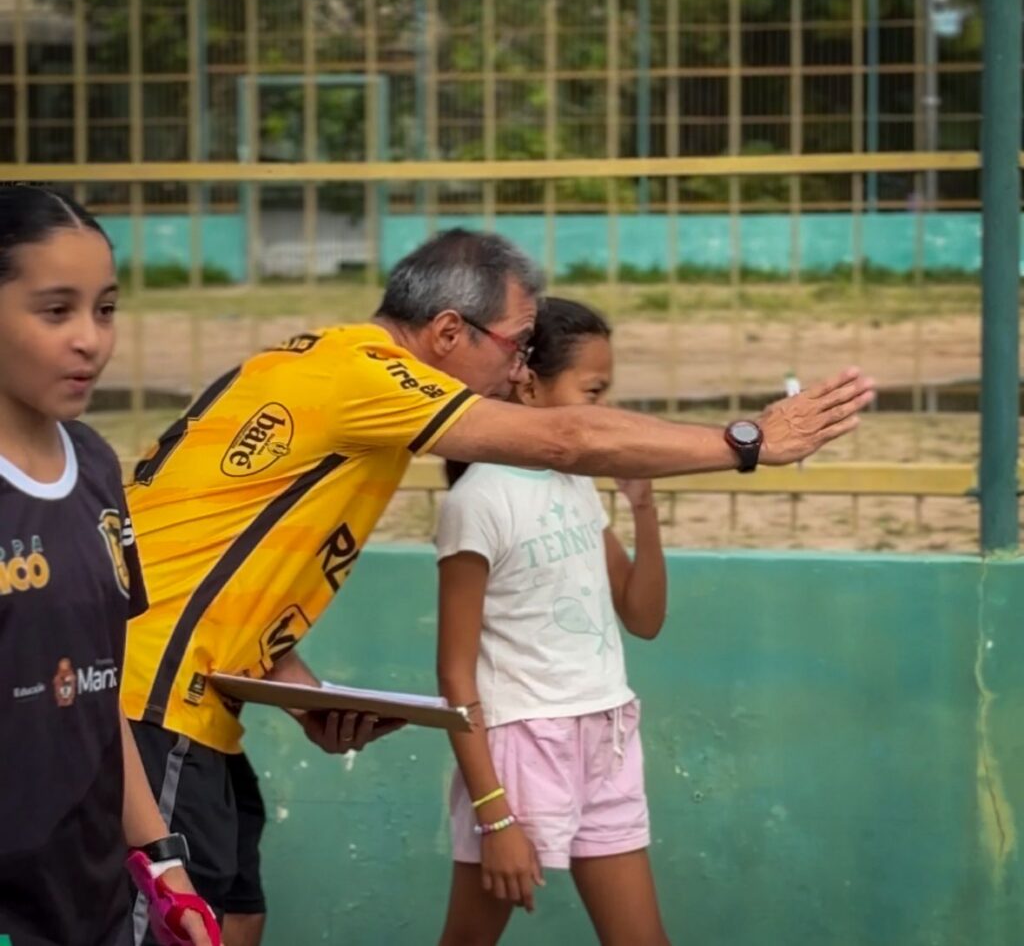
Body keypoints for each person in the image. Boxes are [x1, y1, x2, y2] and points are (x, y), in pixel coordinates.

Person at [120, 228, 875, 945]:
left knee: (235, 920)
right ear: (449, 332)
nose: (518, 371)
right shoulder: (368, 377)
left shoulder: (308, 369)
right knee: (184, 926)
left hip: (186, 700)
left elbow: (206, 570)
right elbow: (568, 438)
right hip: (152, 698)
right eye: (516, 345)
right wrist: (748, 441)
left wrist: (305, 695)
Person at [0, 185, 216, 946]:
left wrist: (164, 865)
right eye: (56, 311)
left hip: (93, 906)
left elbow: (98, 697)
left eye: (106, 309)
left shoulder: (94, 465)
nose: (90, 340)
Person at [435, 298, 670, 944]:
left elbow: (643, 616)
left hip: (607, 735)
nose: (606, 409)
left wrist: (644, 508)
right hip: (521, 748)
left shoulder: (576, 482)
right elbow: (454, 675)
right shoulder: (478, 500)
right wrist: (494, 815)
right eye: (593, 392)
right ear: (529, 384)